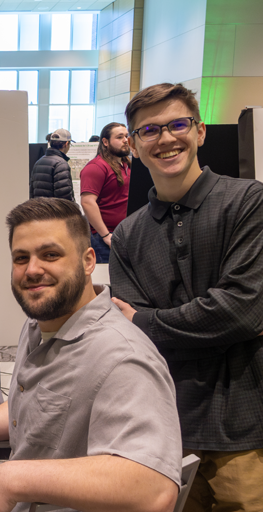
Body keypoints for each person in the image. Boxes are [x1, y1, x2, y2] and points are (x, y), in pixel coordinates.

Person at [0, 198, 182, 512]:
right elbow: (39, 407)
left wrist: (9, 479)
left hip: (26, 499)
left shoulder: (122, 357)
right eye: (21, 258)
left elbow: (155, 489)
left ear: (87, 262)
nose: (32, 270)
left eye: (50, 255)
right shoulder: (40, 325)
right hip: (16, 500)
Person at [110, 83, 263, 512]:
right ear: (135, 145)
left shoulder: (249, 203)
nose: (166, 138)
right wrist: (219, 321)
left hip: (246, 430)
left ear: (200, 132)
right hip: (163, 434)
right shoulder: (127, 235)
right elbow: (132, 339)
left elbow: (242, 309)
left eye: (178, 124)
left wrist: (148, 320)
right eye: (150, 131)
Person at [79, 122, 131, 263]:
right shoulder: (96, 167)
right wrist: (106, 235)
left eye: (126, 136)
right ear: (105, 142)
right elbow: (87, 202)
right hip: (104, 238)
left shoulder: (125, 164)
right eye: (119, 137)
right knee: (107, 281)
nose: (125, 140)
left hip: (124, 234)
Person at [29, 128, 74, 201]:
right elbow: (64, 197)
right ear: (66, 144)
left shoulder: (39, 162)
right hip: (54, 211)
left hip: (39, 209)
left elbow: (32, 191)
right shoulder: (61, 164)